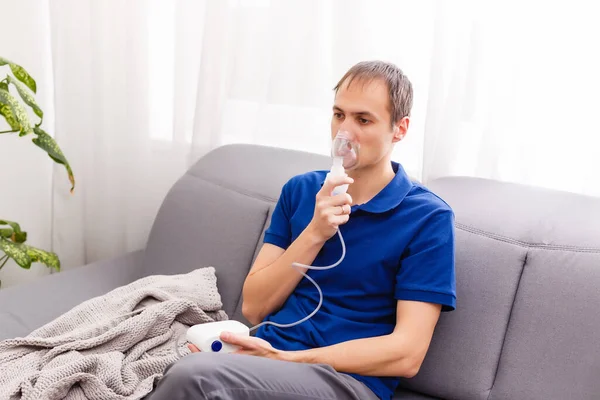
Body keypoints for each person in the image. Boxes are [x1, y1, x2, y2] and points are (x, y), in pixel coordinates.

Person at [146, 60, 456, 400]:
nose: (344, 133)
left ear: (400, 129)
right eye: (339, 115)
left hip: (346, 381)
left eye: (363, 119)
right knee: (183, 369)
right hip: (268, 356)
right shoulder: (301, 191)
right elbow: (255, 307)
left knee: (197, 377)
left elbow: (407, 353)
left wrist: (288, 360)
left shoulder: (427, 218)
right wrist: (314, 232)